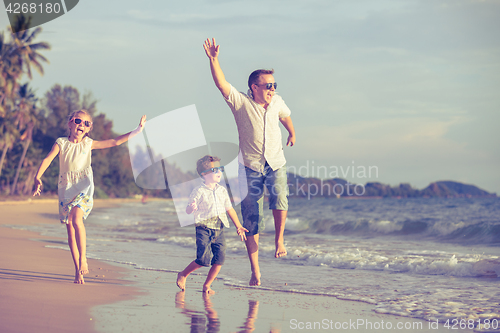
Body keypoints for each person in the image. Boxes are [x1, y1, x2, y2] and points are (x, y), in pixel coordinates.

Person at [203, 38, 296, 286]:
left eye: (274, 85)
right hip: (250, 167)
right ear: (254, 87)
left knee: (280, 198)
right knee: (251, 219)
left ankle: (279, 241)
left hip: (275, 162)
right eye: (268, 85)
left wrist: (292, 132)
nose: (272, 89)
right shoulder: (241, 103)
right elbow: (222, 85)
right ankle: (255, 270)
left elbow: (286, 116)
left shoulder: (277, 102)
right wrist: (214, 60)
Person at [33, 110, 146, 284]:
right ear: (70, 123)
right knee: (70, 228)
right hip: (66, 187)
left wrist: (137, 130)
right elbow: (48, 159)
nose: (82, 125)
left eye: (86, 123)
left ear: (89, 129)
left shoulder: (88, 143)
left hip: (84, 186)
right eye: (78, 121)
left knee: (77, 219)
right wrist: (37, 176)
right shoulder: (61, 143)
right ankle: (77, 270)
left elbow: (115, 141)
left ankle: (83, 259)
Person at [176, 155, 248, 294]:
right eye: (216, 169)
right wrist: (192, 207)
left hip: (219, 229)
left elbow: (230, 209)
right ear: (204, 174)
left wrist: (239, 226)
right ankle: (183, 274)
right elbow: (188, 210)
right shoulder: (198, 191)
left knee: (219, 259)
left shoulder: (222, 190)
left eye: (221, 168)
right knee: (203, 259)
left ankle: (207, 285)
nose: (220, 172)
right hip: (203, 229)